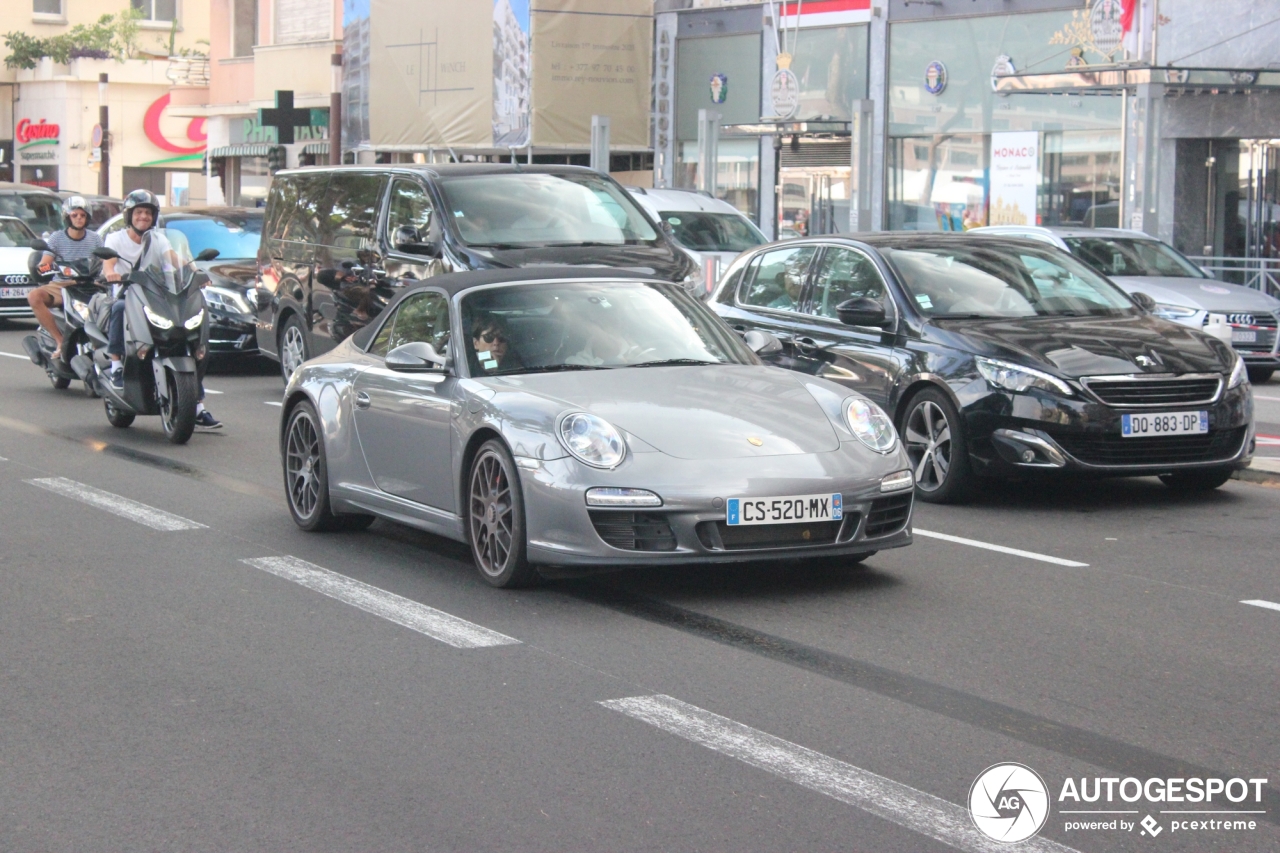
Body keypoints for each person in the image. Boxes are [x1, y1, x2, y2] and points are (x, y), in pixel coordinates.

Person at [103, 189, 221, 430]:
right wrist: (111, 274)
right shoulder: (115, 240)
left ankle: (197, 406)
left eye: (148, 213)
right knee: (118, 309)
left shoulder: (159, 239)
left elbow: (174, 259)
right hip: (130, 294)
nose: (143, 217)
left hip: (158, 297)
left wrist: (195, 272)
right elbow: (109, 263)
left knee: (190, 344)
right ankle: (116, 365)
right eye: (139, 212)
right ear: (130, 216)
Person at [26, 196, 103, 360]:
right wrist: (58, 268)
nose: (79, 219)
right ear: (67, 217)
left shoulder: (95, 238)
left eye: (82, 215)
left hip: (91, 284)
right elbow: (43, 265)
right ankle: (59, 340)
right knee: (34, 296)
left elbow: (105, 261)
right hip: (62, 284)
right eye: (74, 215)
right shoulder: (56, 238)